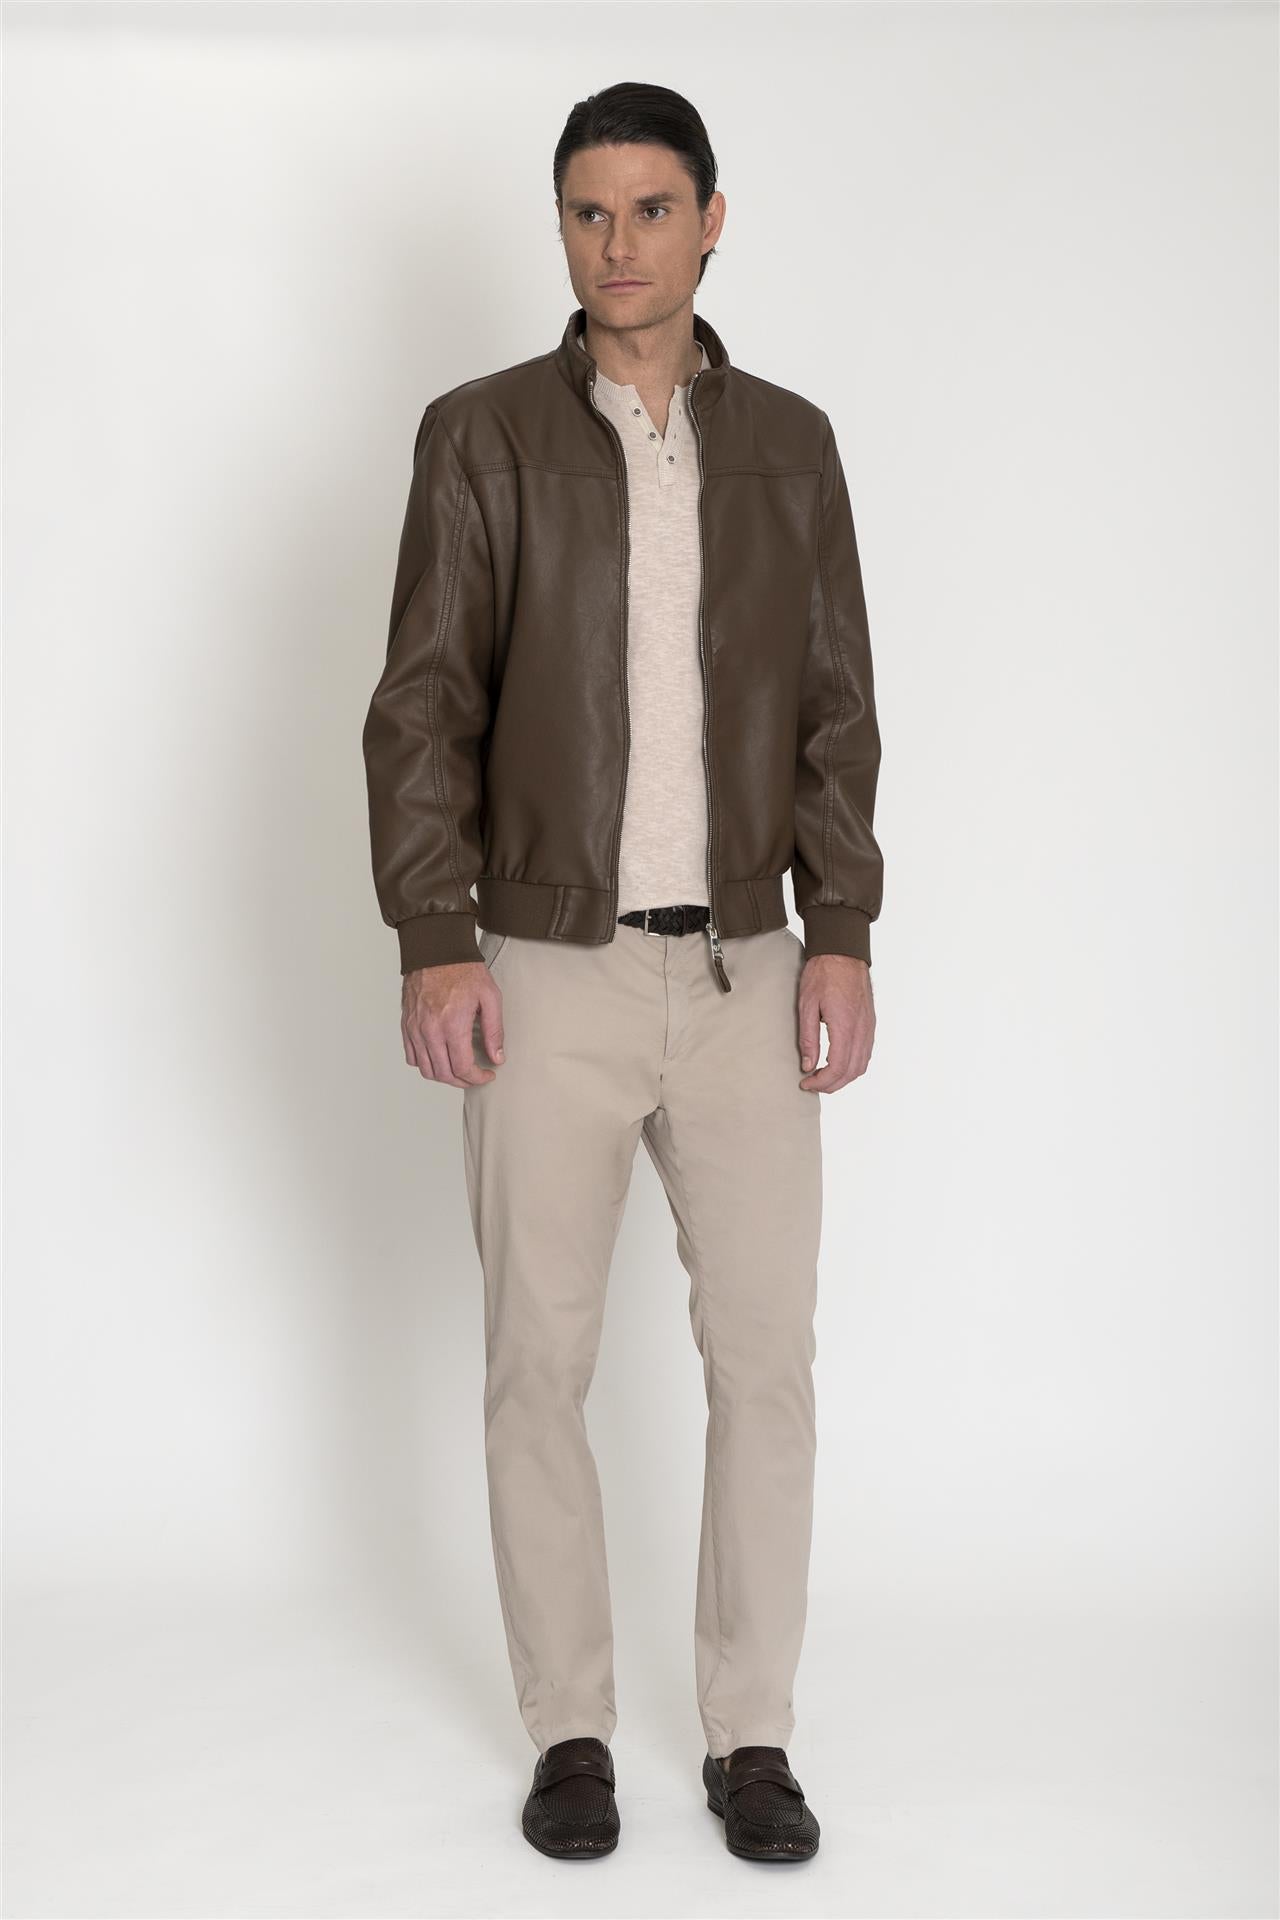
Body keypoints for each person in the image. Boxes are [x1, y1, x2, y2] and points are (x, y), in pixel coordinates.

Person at [361, 79, 883, 1864]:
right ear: (563, 229)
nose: (619, 244)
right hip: (547, 965)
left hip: (745, 967)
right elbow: (422, 704)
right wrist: (437, 937)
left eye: (653, 209)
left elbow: (835, 707)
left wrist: (842, 929)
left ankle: (753, 1737)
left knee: (766, 1363)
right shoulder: (482, 436)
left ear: (711, 220)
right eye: (589, 212)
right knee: (538, 1363)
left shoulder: (792, 445)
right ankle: (569, 1729)